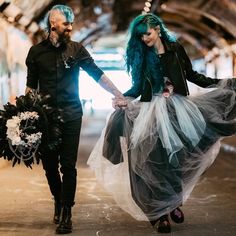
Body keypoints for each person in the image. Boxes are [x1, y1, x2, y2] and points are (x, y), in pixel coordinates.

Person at [87, 13, 236, 233]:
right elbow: (138, 86)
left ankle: (175, 201)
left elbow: (192, 75)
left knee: (177, 160)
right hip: (151, 111)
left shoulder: (175, 49)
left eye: (147, 34)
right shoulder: (141, 54)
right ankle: (161, 215)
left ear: (157, 29)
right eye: (141, 36)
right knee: (154, 162)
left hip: (179, 109)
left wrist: (223, 85)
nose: (144, 39)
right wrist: (123, 98)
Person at [25, 4, 126, 235]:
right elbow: (31, 87)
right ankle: (58, 200)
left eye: (71, 23)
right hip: (46, 117)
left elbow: (97, 74)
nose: (70, 27)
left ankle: (67, 213)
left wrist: (118, 94)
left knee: (67, 165)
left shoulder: (77, 50)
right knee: (49, 165)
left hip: (72, 114)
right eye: (66, 24)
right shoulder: (36, 53)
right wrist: (27, 115)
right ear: (53, 24)